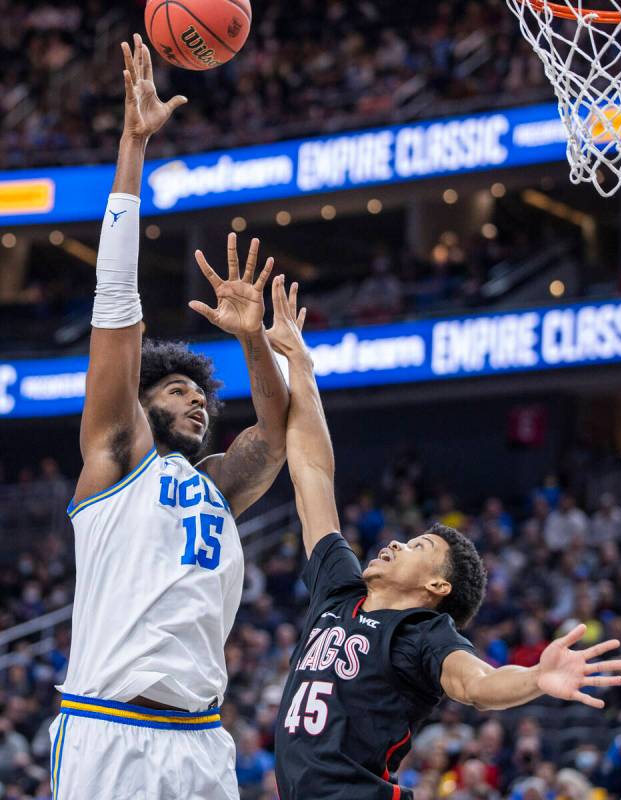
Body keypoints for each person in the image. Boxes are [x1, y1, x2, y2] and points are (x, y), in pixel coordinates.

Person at [265, 281, 621, 800]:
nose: (395, 544)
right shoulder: (340, 591)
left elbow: (476, 685)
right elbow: (313, 473)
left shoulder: (422, 634)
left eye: (417, 547)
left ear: (437, 585)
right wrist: (299, 361)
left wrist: (534, 678)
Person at [50, 36, 291, 799]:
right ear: (143, 403)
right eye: (176, 390)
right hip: (110, 729)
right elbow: (117, 307)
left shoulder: (217, 486)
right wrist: (132, 146)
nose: (192, 398)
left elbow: (277, 435)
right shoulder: (118, 456)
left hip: (201, 739)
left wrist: (254, 341)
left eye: (200, 393)